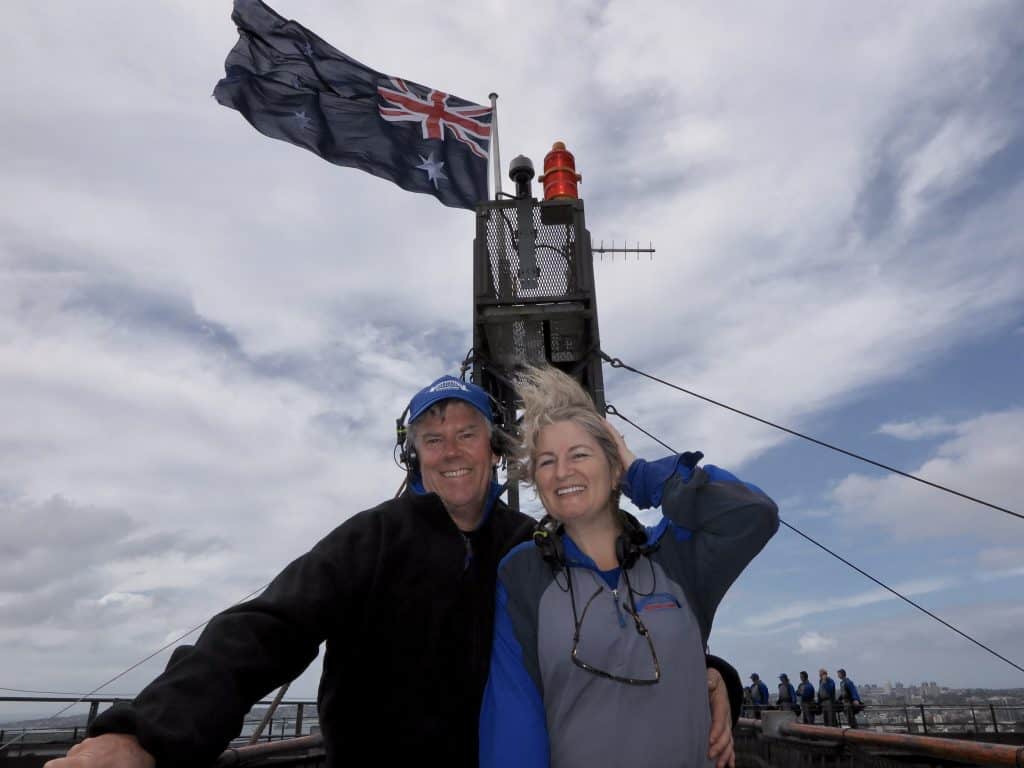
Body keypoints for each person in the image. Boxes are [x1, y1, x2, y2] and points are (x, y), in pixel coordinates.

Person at [46, 374, 739, 768]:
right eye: (432, 438)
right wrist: (142, 733)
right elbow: (267, 629)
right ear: (414, 456)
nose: (451, 450)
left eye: (467, 433)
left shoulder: (536, 546)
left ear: (495, 451)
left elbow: (632, 613)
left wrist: (713, 675)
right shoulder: (371, 540)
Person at [479, 366, 779, 768]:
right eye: (546, 461)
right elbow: (515, 722)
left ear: (614, 465)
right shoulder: (522, 575)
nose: (563, 471)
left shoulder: (675, 556)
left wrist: (644, 476)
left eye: (580, 454)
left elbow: (754, 514)